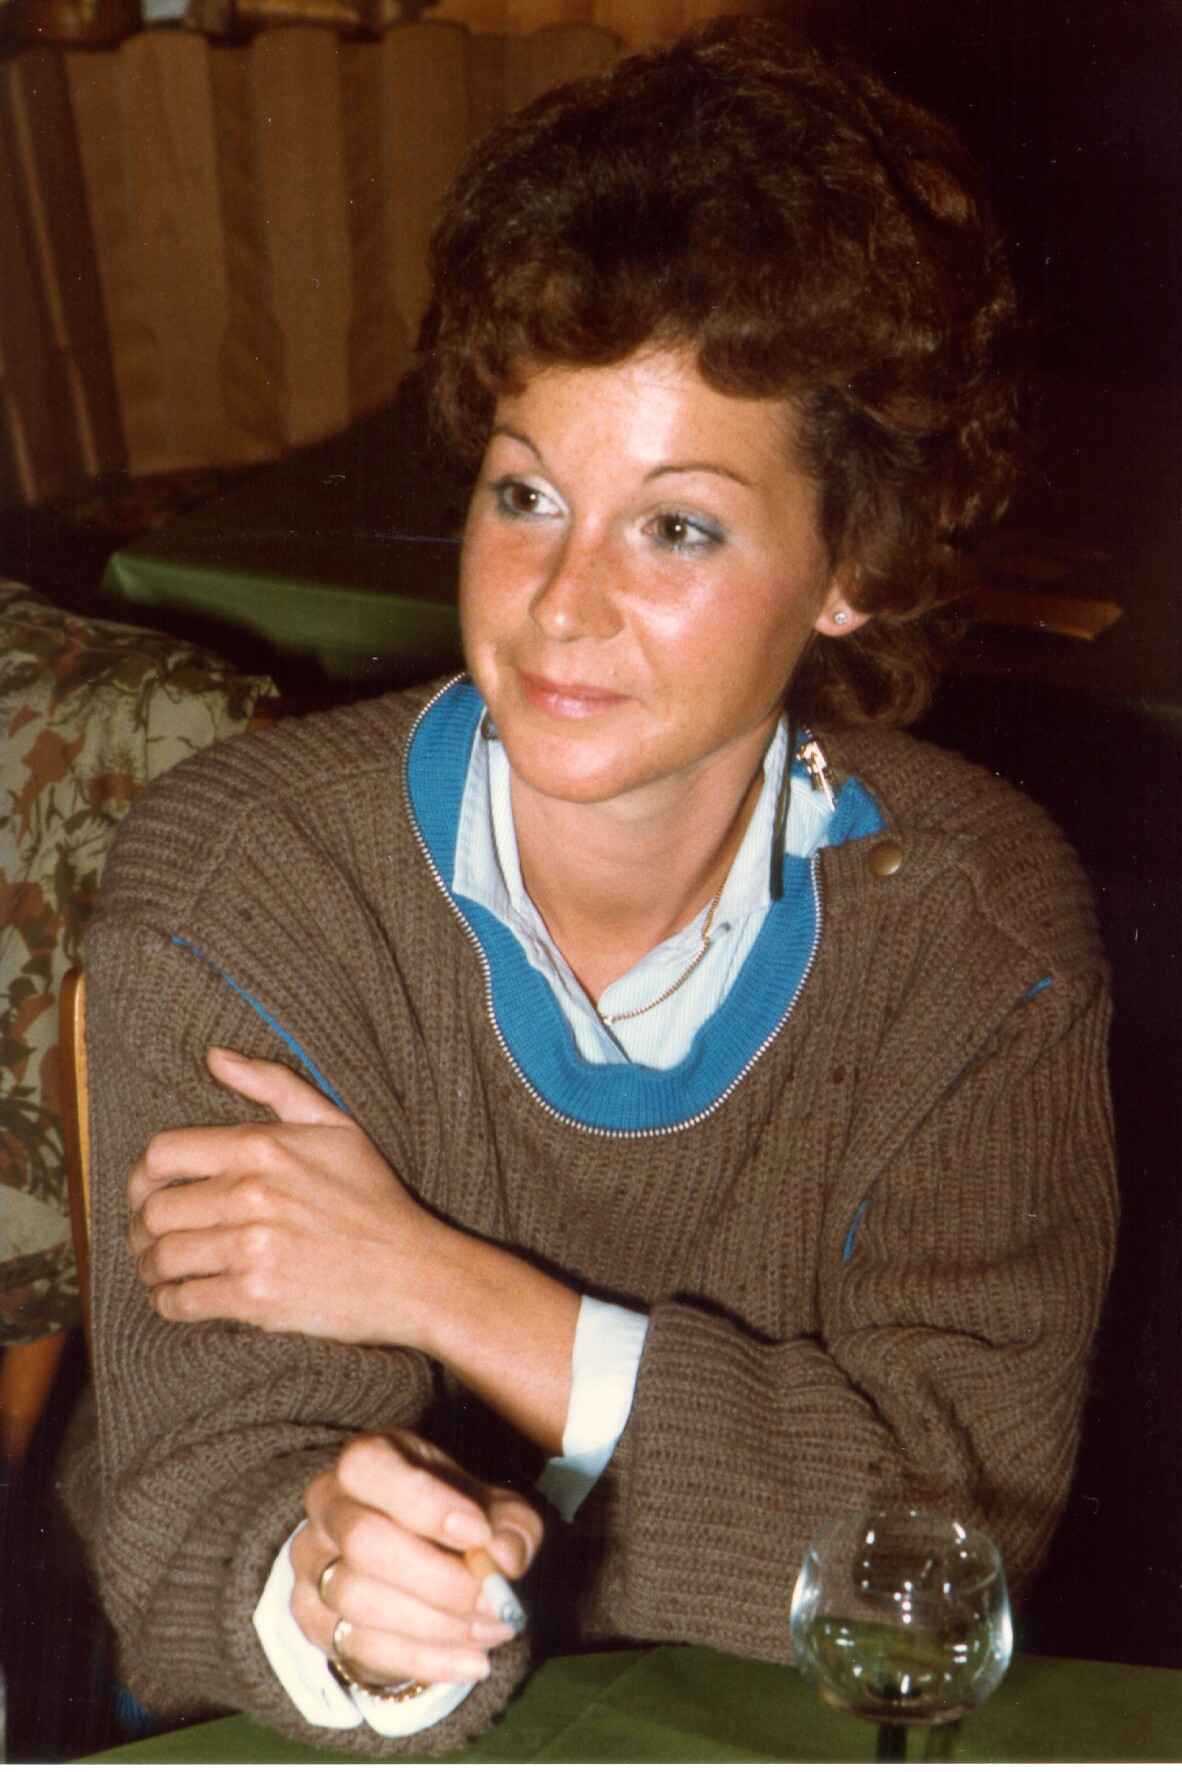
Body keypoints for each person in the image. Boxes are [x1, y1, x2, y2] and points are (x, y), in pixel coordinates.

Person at [68, 18, 1117, 1756]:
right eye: (525, 494)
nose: (559, 602)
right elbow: (198, 1500)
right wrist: (350, 1607)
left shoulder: (977, 933)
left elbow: (945, 1553)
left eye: (676, 525)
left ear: (853, 565)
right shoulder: (249, 879)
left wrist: (441, 1287)